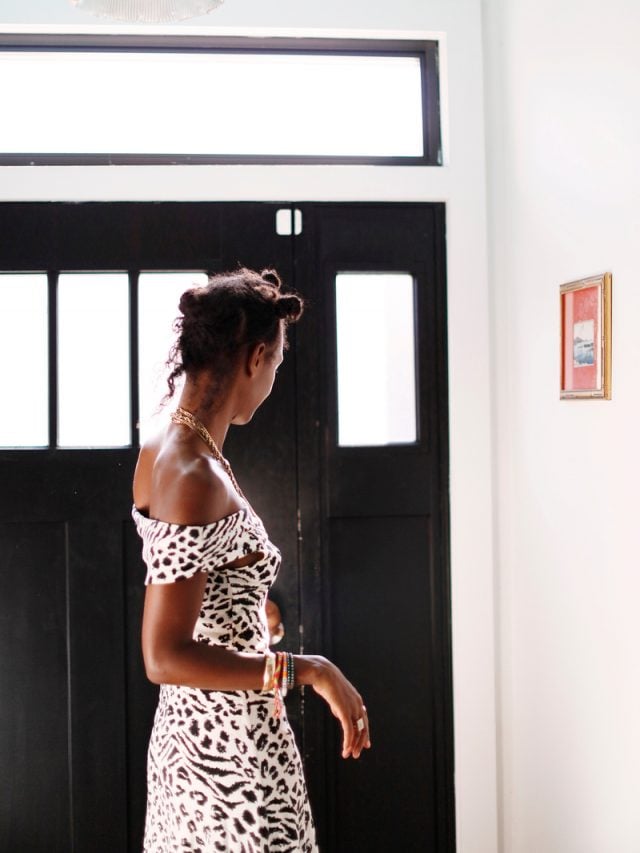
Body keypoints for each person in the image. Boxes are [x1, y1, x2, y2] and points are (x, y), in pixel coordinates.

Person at [132, 267, 370, 852]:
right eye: (278, 367)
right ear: (256, 357)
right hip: (227, 755)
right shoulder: (192, 472)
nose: (273, 382)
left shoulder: (169, 440)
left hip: (190, 741)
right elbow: (162, 655)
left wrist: (247, 609)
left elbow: (199, 577)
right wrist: (306, 668)